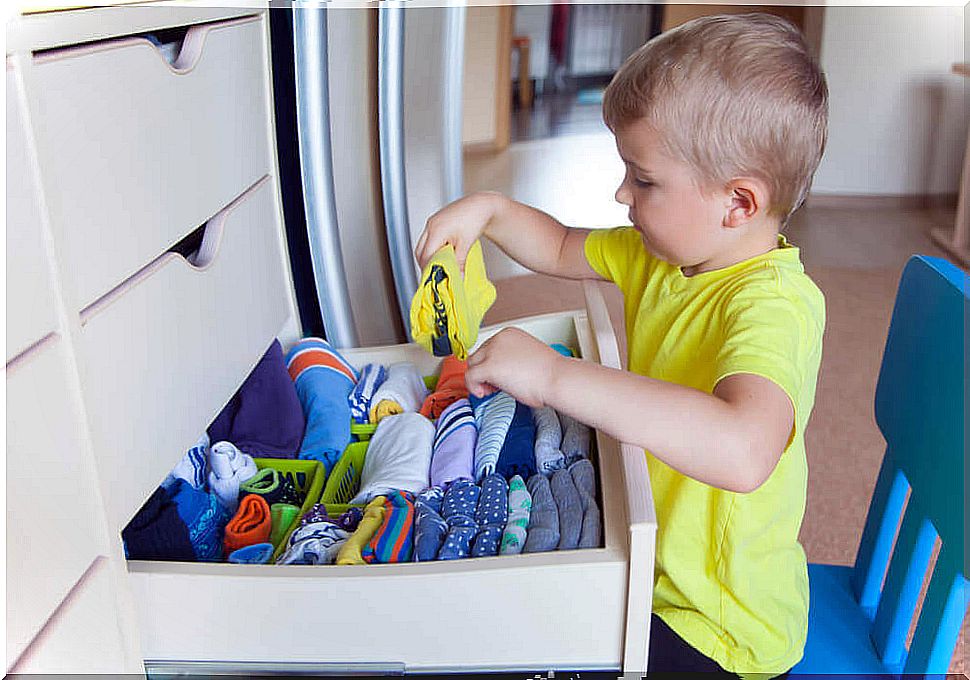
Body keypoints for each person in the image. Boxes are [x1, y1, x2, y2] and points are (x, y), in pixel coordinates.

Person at [415, 12, 828, 679]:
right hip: (645, 560)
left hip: (714, 624)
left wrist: (554, 377)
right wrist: (487, 210)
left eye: (644, 179)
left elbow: (744, 449)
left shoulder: (773, 306)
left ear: (740, 204)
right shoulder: (664, 253)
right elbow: (554, 244)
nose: (620, 193)